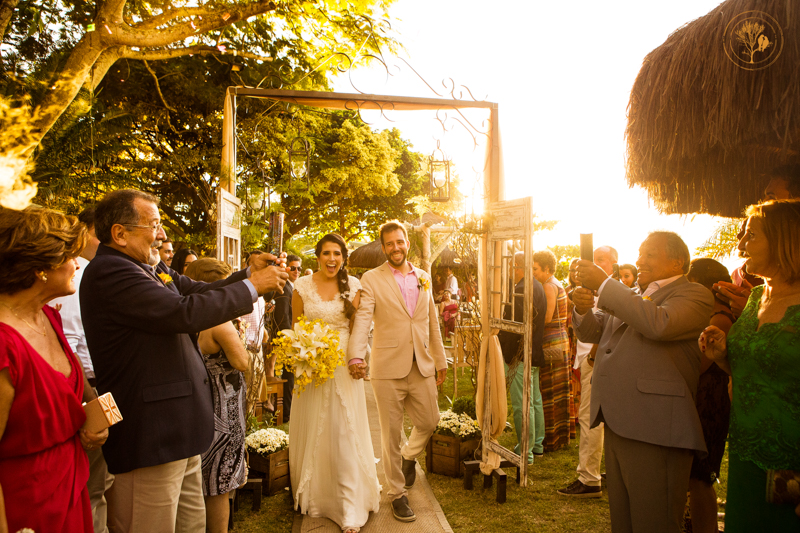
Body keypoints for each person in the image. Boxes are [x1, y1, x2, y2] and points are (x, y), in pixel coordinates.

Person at [80, 189, 288, 533]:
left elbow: (195, 290)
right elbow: (182, 312)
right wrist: (253, 287)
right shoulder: (110, 272)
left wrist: (246, 274)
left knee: (190, 526)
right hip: (150, 434)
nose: (162, 234)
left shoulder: (148, 267)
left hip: (179, 430)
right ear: (119, 233)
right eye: (154, 225)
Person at [573, 231, 712, 533]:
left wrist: (605, 284)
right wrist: (583, 309)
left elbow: (658, 324)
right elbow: (596, 332)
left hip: (656, 426)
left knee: (656, 521)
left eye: (649, 254)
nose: (639, 261)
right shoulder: (635, 295)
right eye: (639, 254)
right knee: (623, 520)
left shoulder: (694, 295)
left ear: (678, 261)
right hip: (618, 419)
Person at [0, 206, 108, 533]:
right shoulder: (4, 346)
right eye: (70, 256)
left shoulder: (49, 316)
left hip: (70, 488)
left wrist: (97, 418)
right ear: (40, 268)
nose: (78, 264)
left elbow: (73, 377)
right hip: (24, 505)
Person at [699, 199, 800, 532]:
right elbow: (755, 371)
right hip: (745, 455)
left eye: (751, 236)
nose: (740, 245)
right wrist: (723, 355)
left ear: (785, 238)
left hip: (792, 465)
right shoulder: (756, 297)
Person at [348, 221, 447, 523]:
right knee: (390, 434)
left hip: (422, 364)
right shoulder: (372, 278)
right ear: (383, 247)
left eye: (399, 242)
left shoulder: (424, 277)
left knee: (430, 421)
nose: (395, 248)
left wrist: (440, 359)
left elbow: (430, 321)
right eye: (389, 243)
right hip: (387, 367)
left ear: (407, 243)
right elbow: (364, 318)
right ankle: (397, 493)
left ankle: (408, 456)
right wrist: (355, 355)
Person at [289, 234, 381, 533]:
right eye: (326, 253)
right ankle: (317, 496)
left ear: (344, 257)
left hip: (342, 366)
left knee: (343, 429)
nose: (332, 259)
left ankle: (348, 504)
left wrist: (357, 360)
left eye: (337, 254)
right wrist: (306, 352)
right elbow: (295, 327)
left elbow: (358, 330)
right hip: (312, 365)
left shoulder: (353, 286)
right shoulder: (301, 287)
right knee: (318, 424)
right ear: (318, 256)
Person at [50, 207, 116, 533]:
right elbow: (74, 353)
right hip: (88, 386)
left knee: (105, 481)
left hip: (100, 385)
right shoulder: (74, 276)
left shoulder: (89, 270)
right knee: (93, 487)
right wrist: (96, 411)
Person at [184, 258, 251, 533]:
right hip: (224, 407)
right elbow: (242, 361)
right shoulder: (219, 322)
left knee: (199, 479)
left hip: (198, 402)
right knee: (219, 485)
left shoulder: (186, 316)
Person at [559, 246, 617, 498]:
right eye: (593, 260)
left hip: (597, 360)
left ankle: (589, 478)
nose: (595, 264)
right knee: (591, 417)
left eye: (602, 260)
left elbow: (608, 326)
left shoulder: (614, 290)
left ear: (613, 264)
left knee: (590, 418)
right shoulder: (587, 290)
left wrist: (593, 353)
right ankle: (594, 472)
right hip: (586, 358)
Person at [684, 258, 734, 533]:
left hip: (710, 402)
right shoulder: (709, 314)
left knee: (701, 477)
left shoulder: (719, 318)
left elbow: (700, 363)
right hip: (701, 399)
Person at [498, 251, 547, 463]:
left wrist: (507, 354)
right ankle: (536, 444)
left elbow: (514, 329)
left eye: (511, 266)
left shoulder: (520, 290)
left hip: (521, 354)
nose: (509, 270)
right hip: (534, 351)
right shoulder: (537, 285)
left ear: (516, 266)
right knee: (535, 400)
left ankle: (525, 452)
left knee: (521, 405)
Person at [532, 249, 570, 453]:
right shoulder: (556, 283)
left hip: (551, 340)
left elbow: (546, 318)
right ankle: (558, 436)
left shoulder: (548, 285)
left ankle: (549, 437)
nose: (533, 273)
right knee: (557, 390)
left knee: (548, 391)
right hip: (560, 338)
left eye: (536, 268)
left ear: (547, 269)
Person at [270, 253, 301, 421]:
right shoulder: (284, 288)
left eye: (299, 268)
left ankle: (285, 411)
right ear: (286, 268)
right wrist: (288, 339)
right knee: (287, 377)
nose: (296, 271)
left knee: (289, 377)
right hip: (284, 339)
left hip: (289, 337)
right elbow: (283, 317)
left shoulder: (292, 287)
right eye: (293, 268)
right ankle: (285, 413)